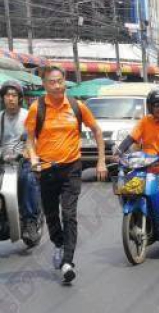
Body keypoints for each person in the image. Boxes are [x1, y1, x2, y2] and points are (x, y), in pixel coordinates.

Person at [25, 65, 106, 285]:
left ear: (65, 82)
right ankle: (59, 244)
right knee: (51, 214)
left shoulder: (76, 106)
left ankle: (68, 262)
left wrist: (101, 161)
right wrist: (33, 160)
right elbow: (30, 139)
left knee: (69, 214)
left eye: (60, 81)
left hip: (71, 168)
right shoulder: (37, 108)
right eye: (52, 82)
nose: (57, 85)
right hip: (46, 169)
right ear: (45, 85)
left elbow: (97, 131)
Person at [114, 89, 159, 191]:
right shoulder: (145, 121)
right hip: (145, 169)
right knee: (127, 189)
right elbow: (131, 138)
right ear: (150, 108)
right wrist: (118, 152)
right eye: (156, 106)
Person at [1, 80, 42, 243]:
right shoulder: (0, 117)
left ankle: (30, 221)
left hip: (24, 159)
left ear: (19, 98)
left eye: (14, 95)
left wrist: (26, 152)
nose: (10, 98)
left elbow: (35, 139)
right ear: (3, 98)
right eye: (7, 95)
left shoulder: (27, 116)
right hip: (3, 161)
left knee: (28, 178)